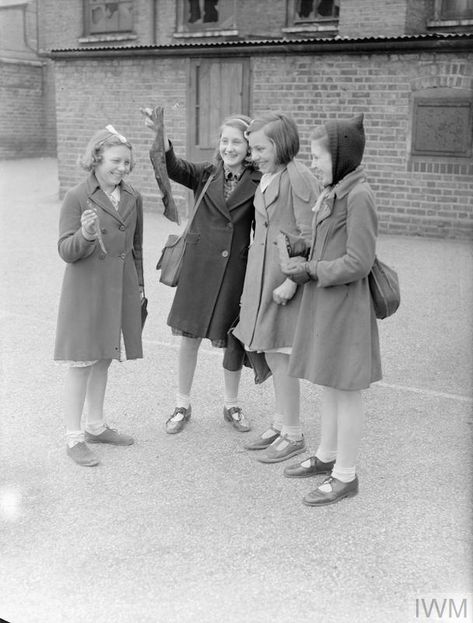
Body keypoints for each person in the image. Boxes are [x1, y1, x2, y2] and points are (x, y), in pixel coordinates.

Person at [281, 113, 382, 505]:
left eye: (318, 156)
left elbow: (359, 261)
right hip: (328, 301)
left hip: (345, 305)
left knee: (346, 388)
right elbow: (331, 246)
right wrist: (302, 248)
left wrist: (311, 269)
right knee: (329, 383)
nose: (313, 163)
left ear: (339, 157)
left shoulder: (359, 195)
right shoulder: (336, 189)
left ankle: (346, 475)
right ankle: (326, 456)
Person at [143, 110, 261, 434]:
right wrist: (162, 137)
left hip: (234, 269)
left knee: (232, 340)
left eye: (237, 142)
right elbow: (174, 166)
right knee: (189, 336)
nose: (229, 147)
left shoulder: (259, 181)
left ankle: (231, 404)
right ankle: (182, 404)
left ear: (249, 147)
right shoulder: (207, 173)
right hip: (199, 266)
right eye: (225, 141)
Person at [232, 112, 320, 463]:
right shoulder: (270, 175)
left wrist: (290, 281)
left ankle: (294, 433)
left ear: (280, 143)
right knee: (269, 351)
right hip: (261, 276)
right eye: (252, 148)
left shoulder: (298, 177)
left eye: (260, 147)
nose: (254, 155)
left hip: (284, 281)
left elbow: (311, 237)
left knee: (281, 358)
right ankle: (280, 422)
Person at [54, 125, 144, 467]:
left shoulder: (132, 196)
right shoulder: (77, 196)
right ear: (96, 158)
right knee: (82, 361)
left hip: (118, 287)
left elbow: (135, 247)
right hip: (85, 291)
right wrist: (86, 234)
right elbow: (65, 249)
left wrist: (139, 288)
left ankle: (95, 425)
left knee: (105, 356)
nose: (122, 168)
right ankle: (74, 436)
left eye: (127, 164)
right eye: (116, 161)